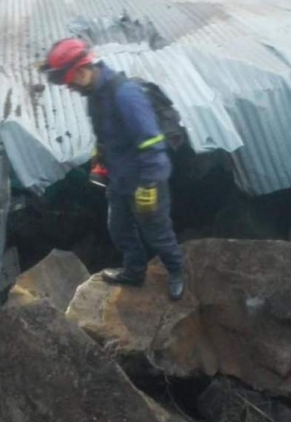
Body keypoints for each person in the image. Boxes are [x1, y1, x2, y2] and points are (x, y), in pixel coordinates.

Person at [41, 38, 185, 300]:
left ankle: (177, 273)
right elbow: (107, 137)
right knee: (119, 227)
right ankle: (134, 270)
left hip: (144, 180)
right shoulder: (95, 97)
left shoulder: (126, 95)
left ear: (82, 71)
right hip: (119, 178)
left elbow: (153, 144)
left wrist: (149, 185)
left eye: (70, 82)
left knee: (157, 233)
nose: (70, 88)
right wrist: (100, 161)